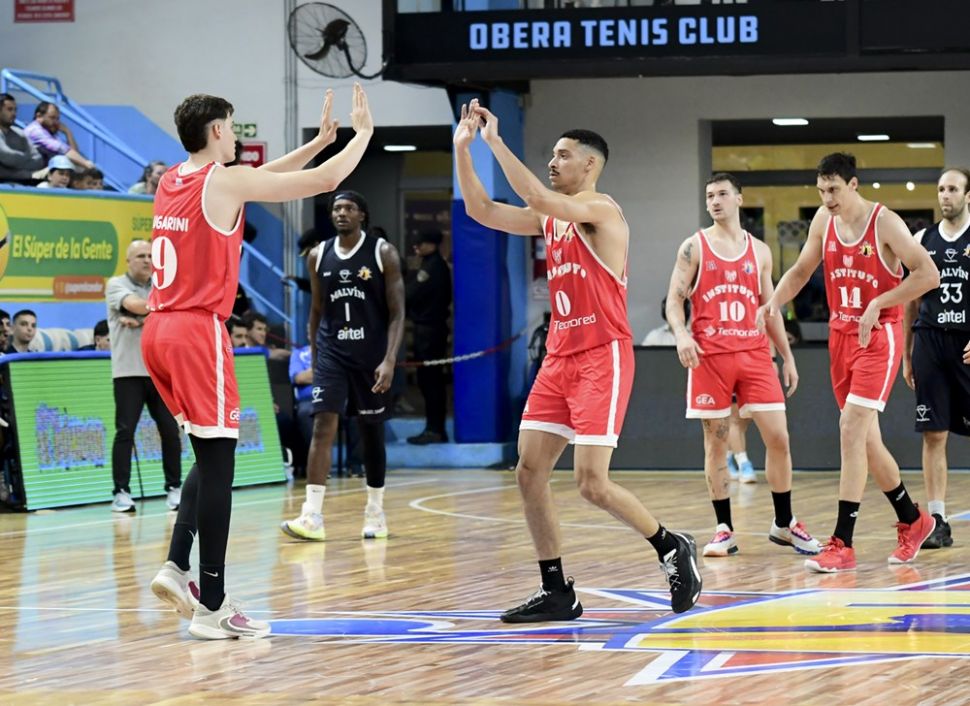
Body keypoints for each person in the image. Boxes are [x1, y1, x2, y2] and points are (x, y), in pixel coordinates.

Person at [454, 98, 701, 620]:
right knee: (528, 472)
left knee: (591, 482)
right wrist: (462, 151)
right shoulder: (551, 220)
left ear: (589, 164)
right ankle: (557, 590)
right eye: (551, 154)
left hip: (601, 356)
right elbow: (481, 211)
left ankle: (671, 546)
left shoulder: (602, 210)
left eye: (562, 154)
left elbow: (535, 195)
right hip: (558, 357)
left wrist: (495, 142)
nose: (552, 161)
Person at [144, 85, 374, 639]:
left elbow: (261, 178)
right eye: (231, 125)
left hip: (159, 330)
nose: (235, 136)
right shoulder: (223, 180)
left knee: (208, 456)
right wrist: (361, 135)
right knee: (221, 466)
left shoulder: (172, 179)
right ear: (218, 130)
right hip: (197, 330)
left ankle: (176, 565)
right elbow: (324, 182)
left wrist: (316, 143)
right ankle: (213, 606)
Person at [759, 152, 940, 573]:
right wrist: (773, 302)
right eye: (821, 191)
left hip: (878, 336)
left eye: (834, 189)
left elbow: (928, 274)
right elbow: (801, 270)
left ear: (853, 185)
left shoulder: (885, 222)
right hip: (841, 337)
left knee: (850, 428)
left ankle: (843, 542)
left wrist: (880, 301)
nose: (827, 198)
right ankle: (913, 520)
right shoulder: (824, 221)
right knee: (867, 442)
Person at [666, 172, 820, 558]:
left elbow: (771, 309)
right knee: (716, 444)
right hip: (710, 357)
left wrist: (787, 356)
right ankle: (724, 530)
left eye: (722, 194)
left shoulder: (760, 251)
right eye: (709, 196)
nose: (714, 201)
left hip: (755, 355)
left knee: (779, 438)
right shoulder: (694, 247)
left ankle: (784, 523)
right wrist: (681, 334)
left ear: (739, 198)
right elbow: (674, 300)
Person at [280, 189, 405, 541]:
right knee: (322, 424)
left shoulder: (382, 252)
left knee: (371, 432)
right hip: (332, 352)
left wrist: (389, 360)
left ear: (362, 215)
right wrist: (316, 356)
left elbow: (397, 313)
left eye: (349, 208)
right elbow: (316, 310)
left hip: (371, 355)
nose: (341, 213)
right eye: (337, 208)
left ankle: (375, 511)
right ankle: (311, 515)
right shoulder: (318, 255)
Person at [902, 167, 970, 550]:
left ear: (968, 195)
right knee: (934, 432)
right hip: (929, 340)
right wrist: (907, 352)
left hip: (966, 342)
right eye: (942, 188)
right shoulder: (922, 240)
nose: (945, 195)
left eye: (953, 189)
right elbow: (910, 300)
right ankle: (937, 520)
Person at [105, 240, 184, 514]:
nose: (147, 260)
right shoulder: (116, 284)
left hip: (160, 372)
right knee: (125, 431)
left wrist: (141, 321)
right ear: (128, 260)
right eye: (140, 255)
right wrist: (160, 308)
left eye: (151, 255)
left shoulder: (160, 285)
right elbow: (136, 305)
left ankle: (174, 488)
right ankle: (121, 493)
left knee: (170, 431)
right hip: (128, 371)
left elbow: (172, 316)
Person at [406, 229, 452, 445]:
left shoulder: (433, 267)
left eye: (420, 243)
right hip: (427, 328)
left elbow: (411, 294)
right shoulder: (429, 264)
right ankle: (433, 428)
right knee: (428, 381)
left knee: (431, 381)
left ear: (432, 244)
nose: (416, 247)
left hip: (430, 330)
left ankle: (435, 429)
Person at [23, 101, 94, 169]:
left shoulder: (48, 132)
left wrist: (68, 132)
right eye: (52, 117)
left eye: (57, 119)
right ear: (39, 116)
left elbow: (74, 154)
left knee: (77, 167)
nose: (56, 122)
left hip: (43, 169)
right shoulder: (35, 130)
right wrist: (86, 163)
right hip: (31, 171)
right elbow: (61, 148)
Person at [0, 93, 44, 183]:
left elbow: (38, 160)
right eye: (9, 109)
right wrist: (27, 157)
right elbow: (6, 155)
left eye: (15, 110)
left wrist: (10, 166)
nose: (14, 113)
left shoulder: (20, 133)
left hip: (20, 181)